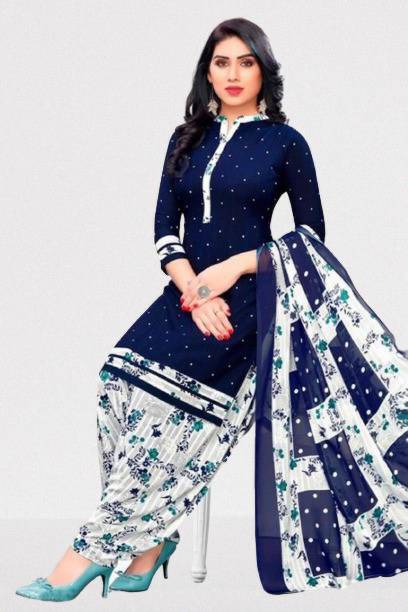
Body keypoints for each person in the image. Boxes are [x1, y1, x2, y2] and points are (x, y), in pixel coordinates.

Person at [15, 17, 327, 601]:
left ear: (264, 72)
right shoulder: (187, 138)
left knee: (168, 413)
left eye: (246, 63)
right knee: (115, 382)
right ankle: (149, 538)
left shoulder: (286, 144)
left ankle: (87, 553)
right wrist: (194, 289)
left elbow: (311, 238)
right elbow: (164, 228)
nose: (233, 74)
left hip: (247, 306)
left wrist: (231, 271)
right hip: (186, 295)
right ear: (207, 72)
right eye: (221, 62)